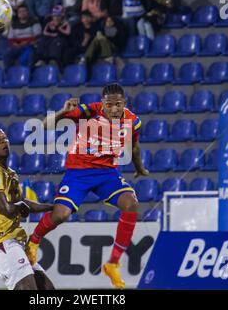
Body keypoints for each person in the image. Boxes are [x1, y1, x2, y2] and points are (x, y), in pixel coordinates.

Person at [26, 83, 150, 289]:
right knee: (61, 215)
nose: (113, 110)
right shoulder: (88, 111)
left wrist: (139, 168)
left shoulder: (133, 122)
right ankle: (34, 240)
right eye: (109, 105)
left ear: (125, 103)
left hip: (107, 174)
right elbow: (45, 125)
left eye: (118, 105)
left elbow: (134, 147)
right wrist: (63, 112)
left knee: (131, 203)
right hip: (78, 172)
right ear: (103, 104)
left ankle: (113, 264)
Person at [0, 127, 55, 290]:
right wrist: (21, 206)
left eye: (4, 138)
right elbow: (6, 209)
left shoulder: (11, 173)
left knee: (47, 289)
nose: (3, 141)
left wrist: (52, 207)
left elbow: (23, 202)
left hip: (15, 241)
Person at [4, 4, 41, 68]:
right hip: (18, 46)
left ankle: (27, 72)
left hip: (30, 45)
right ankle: (8, 73)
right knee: (7, 54)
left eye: (24, 11)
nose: (22, 13)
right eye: (20, 12)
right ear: (17, 14)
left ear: (28, 12)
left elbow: (37, 36)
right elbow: (10, 38)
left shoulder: (34, 22)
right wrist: (15, 44)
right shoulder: (14, 24)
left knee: (28, 53)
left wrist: (26, 42)